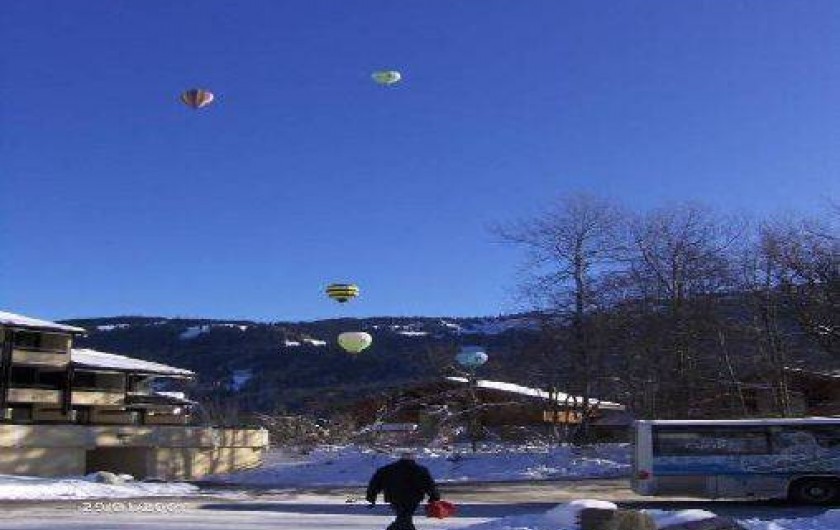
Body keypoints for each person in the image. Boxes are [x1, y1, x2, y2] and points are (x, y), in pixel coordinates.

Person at [366, 451, 440, 530]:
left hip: (394, 498)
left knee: (404, 517)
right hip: (413, 499)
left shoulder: (387, 469)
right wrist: (434, 496)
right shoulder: (421, 470)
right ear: (413, 458)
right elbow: (429, 485)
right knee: (405, 518)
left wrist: (371, 496)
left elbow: (375, 483)